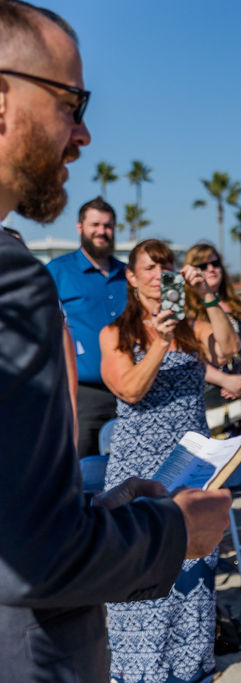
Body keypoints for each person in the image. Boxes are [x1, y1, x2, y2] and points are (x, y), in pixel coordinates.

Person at [0, 3, 229, 680]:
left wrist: (98, 512)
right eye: (70, 102)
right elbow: (34, 554)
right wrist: (173, 530)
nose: (83, 134)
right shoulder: (15, 278)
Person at [99, 239, 239, 682]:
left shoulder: (192, 328)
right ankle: (138, 672)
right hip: (135, 475)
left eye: (167, 268)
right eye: (150, 268)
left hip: (191, 467)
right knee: (139, 569)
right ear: (131, 277)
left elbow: (229, 348)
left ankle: (189, 670)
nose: (159, 277)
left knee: (192, 567)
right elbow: (131, 389)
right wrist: (159, 343)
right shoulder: (114, 333)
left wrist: (209, 297)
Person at [47, 196, 126, 456]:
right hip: (83, 397)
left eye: (107, 225)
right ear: (80, 227)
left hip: (130, 395)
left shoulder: (129, 275)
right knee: (80, 472)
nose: (101, 231)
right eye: (95, 224)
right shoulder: (57, 272)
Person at [184, 242, 241, 435]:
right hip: (211, 402)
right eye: (203, 266)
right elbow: (189, 359)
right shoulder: (187, 312)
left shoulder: (236, 307)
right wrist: (225, 380)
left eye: (215, 263)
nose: (211, 269)